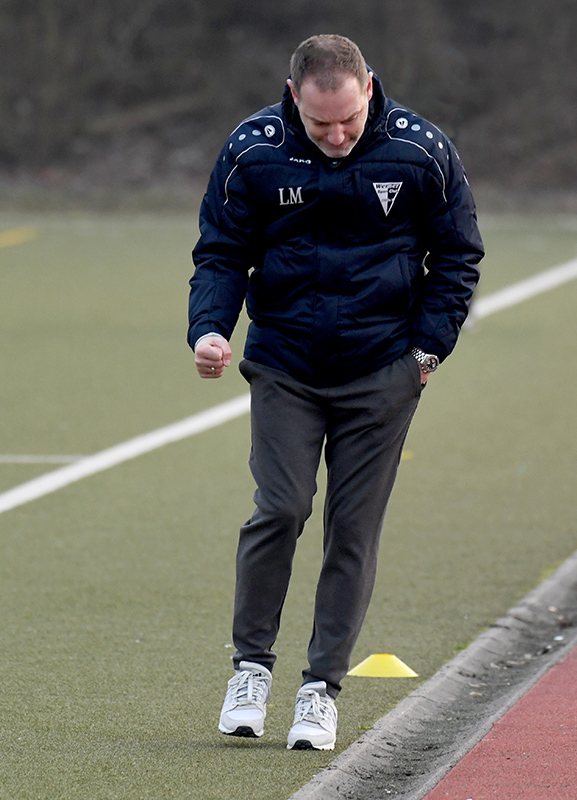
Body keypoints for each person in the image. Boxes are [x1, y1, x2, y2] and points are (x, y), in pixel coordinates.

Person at [187, 33, 483, 751]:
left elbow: (458, 253)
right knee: (281, 507)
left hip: (382, 371)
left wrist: (424, 354)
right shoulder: (253, 151)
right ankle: (250, 669)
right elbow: (222, 249)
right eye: (321, 125)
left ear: (369, 89)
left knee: (352, 530)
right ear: (295, 98)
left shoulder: (420, 151)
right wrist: (210, 328)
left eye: (349, 119)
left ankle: (320, 689)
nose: (338, 135)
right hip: (286, 363)